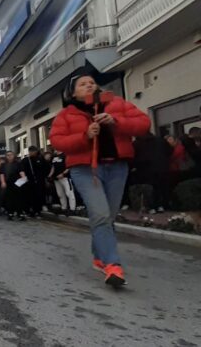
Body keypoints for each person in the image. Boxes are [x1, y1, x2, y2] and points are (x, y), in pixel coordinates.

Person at [49, 73, 150, 287]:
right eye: (82, 84)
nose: (89, 86)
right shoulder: (67, 114)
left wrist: (117, 121)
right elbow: (57, 140)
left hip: (117, 166)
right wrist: (84, 136)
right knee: (101, 214)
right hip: (85, 169)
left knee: (107, 216)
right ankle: (113, 265)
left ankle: (98, 255)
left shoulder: (117, 103)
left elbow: (143, 124)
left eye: (92, 83)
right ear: (73, 92)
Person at [0, 151, 27, 221]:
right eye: (8, 155)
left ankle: (20, 213)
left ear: (14, 155)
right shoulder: (3, 165)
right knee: (9, 199)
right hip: (8, 183)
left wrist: (24, 178)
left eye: (11, 155)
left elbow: (22, 172)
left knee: (19, 199)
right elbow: (2, 174)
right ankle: (10, 213)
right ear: (6, 156)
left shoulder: (18, 163)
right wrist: (3, 182)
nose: (9, 156)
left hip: (17, 183)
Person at [21, 146, 45, 217]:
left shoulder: (40, 159)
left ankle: (37, 211)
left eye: (33, 151)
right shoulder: (25, 160)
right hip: (29, 181)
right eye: (30, 151)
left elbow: (44, 169)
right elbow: (21, 170)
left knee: (38, 196)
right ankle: (28, 210)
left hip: (39, 181)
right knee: (29, 196)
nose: (32, 152)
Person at [50, 150, 76, 216]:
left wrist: (63, 174)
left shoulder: (65, 155)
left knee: (69, 193)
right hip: (56, 178)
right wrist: (50, 175)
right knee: (60, 194)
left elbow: (69, 166)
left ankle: (72, 209)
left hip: (65, 177)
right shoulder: (54, 156)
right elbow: (53, 167)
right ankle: (64, 208)